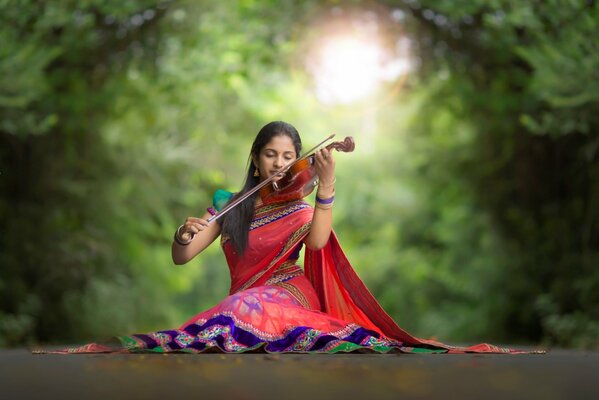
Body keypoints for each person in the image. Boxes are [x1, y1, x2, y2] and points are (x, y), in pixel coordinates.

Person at [40, 121, 544, 354]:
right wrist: (183, 231)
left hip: (288, 290)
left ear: (296, 159)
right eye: (270, 155)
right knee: (235, 310)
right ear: (255, 158)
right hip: (247, 298)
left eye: (287, 156)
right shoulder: (231, 207)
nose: (279, 164)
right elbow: (182, 257)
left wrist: (326, 187)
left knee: (244, 312)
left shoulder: (301, 207)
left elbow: (320, 247)